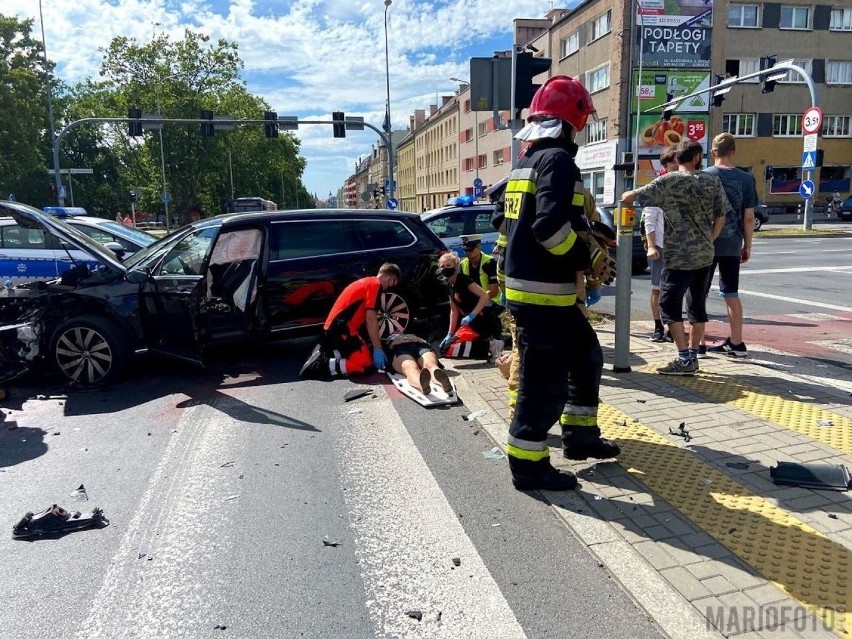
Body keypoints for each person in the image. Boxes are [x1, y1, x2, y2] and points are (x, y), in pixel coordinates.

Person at [497, 75, 620, 492]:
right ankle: (528, 467)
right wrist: (587, 256)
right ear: (574, 121)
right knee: (541, 385)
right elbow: (548, 228)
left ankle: (580, 437)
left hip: (542, 292)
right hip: (543, 293)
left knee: (586, 357)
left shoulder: (526, 159)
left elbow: (508, 222)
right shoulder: (558, 161)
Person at [622, 140, 727, 376]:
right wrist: (708, 239)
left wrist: (625, 193)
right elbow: (722, 217)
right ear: (697, 157)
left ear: (677, 159)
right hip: (705, 254)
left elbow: (631, 197)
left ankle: (684, 359)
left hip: (680, 256)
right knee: (697, 305)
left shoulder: (668, 181)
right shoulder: (712, 180)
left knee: (668, 305)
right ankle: (695, 353)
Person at [699, 133, 759, 358]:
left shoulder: (703, 176)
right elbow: (749, 217)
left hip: (706, 243)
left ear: (713, 152)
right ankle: (736, 343)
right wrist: (747, 245)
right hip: (733, 244)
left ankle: (699, 344)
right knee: (731, 292)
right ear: (733, 151)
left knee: (699, 293)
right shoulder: (746, 179)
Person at [299, 263, 400, 379]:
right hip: (342, 329)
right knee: (364, 366)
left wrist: (372, 342)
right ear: (391, 278)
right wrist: (378, 348)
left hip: (338, 328)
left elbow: (366, 320)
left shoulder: (367, 282)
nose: (391, 286)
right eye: (394, 282)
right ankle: (319, 365)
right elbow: (371, 318)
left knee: (363, 353)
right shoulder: (376, 285)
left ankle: (329, 352)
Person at [437, 252, 503, 359]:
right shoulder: (449, 284)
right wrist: (450, 333)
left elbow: (484, 296)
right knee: (444, 349)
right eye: (442, 266)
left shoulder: (464, 280)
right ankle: (487, 346)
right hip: (468, 323)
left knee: (451, 350)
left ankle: (491, 346)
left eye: (448, 265)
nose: (445, 268)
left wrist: (472, 315)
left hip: (481, 319)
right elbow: (454, 311)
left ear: (456, 265)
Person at [643, 146, 679, 342]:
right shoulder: (657, 185)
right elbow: (649, 218)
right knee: (657, 288)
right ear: (665, 164)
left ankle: (673, 326)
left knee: (676, 289)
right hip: (661, 245)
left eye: (678, 161)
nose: (676, 165)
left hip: (680, 247)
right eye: (672, 161)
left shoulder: (685, 184)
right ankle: (658, 326)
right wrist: (651, 245)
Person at [384, 332, 452, 394]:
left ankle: (442, 380)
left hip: (420, 346)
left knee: (430, 365)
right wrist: (394, 343)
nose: (398, 331)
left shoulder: (413, 334)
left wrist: (418, 339)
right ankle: (421, 384)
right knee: (411, 367)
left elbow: (426, 342)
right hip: (400, 349)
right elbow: (385, 350)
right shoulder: (388, 339)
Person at [459, 234, 500, 301]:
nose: (468, 253)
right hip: (475, 303)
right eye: (465, 250)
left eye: (470, 250)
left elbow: (493, 292)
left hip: (493, 303)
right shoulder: (462, 264)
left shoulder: (490, 263)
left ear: (479, 247)